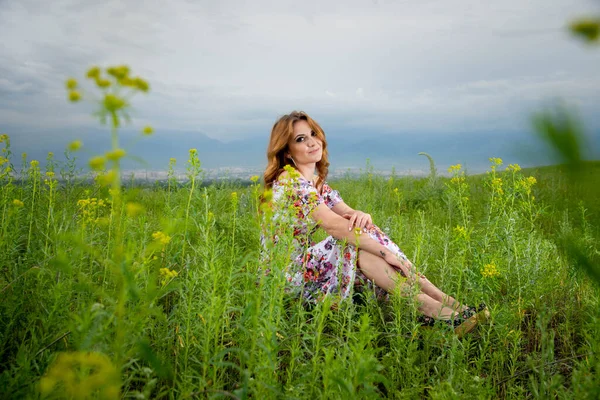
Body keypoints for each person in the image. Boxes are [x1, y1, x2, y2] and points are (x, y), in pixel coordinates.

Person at [260, 111, 487, 336]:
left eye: (313, 134)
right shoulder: (290, 181)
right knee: (349, 242)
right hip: (285, 277)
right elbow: (334, 225)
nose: (312, 142)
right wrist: (387, 253)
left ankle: (445, 306)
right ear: (287, 151)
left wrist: (362, 215)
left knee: (362, 233)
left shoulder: (315, 182)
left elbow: (347, 213)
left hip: (305, 265)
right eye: (301, 139)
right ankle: (435, 308)